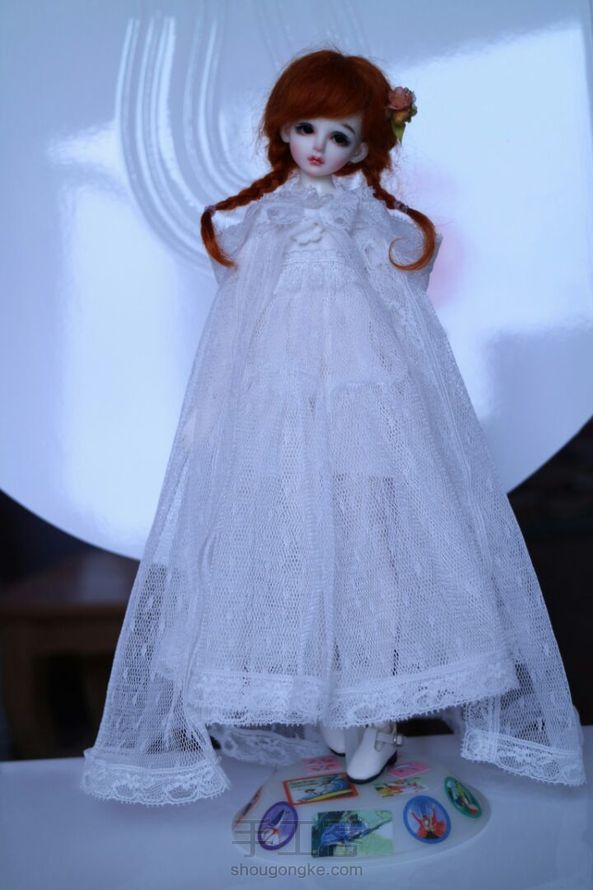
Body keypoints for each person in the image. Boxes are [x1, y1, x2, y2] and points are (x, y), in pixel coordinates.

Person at [81, 48, 585, 806]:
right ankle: (325, 692)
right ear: (282, 130)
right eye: (306, 128)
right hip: (280, 414)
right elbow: (232, 334)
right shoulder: (263, 224)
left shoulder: (370, 223)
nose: (319, 146)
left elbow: (407, 318)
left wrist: (413, 412)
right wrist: (212, 418)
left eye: (340, 135)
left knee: (370, 550)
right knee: (291, 548)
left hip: (365, 411)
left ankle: (376, 710)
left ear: (366, 143)